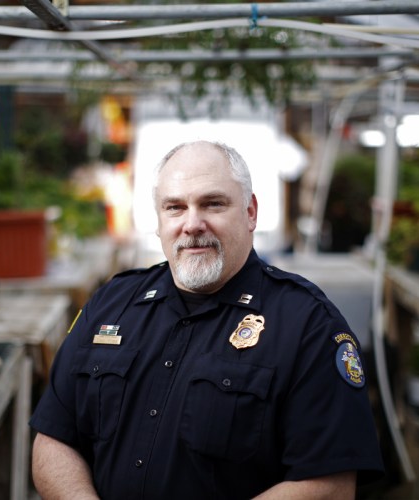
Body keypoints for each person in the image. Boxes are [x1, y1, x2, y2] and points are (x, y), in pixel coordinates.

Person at [30, 140, 384, 499]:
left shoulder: (308, 326)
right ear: (159, 220)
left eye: (213, 204)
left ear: (250, 212)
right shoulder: (111, 303)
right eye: (175, 207)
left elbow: (331, 487)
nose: (192, 224)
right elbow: (54, 439)